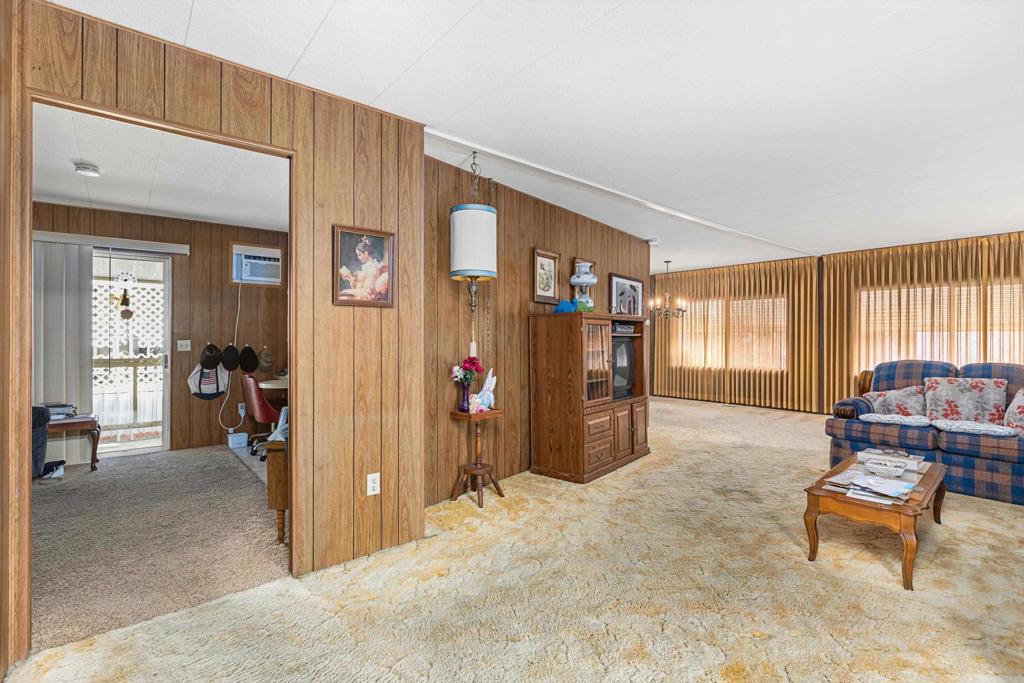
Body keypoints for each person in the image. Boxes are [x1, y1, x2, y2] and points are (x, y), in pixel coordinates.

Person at [339, 237, 389, 301]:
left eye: (359, 255)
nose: (358, 257)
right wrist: (350, 279)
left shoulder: (373, 268)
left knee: (342, 294)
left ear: (366, 253)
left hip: (366, 296)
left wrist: (347, 291)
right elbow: (360, 286)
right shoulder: (366, 267)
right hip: (361, 294)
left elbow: (367, 290)